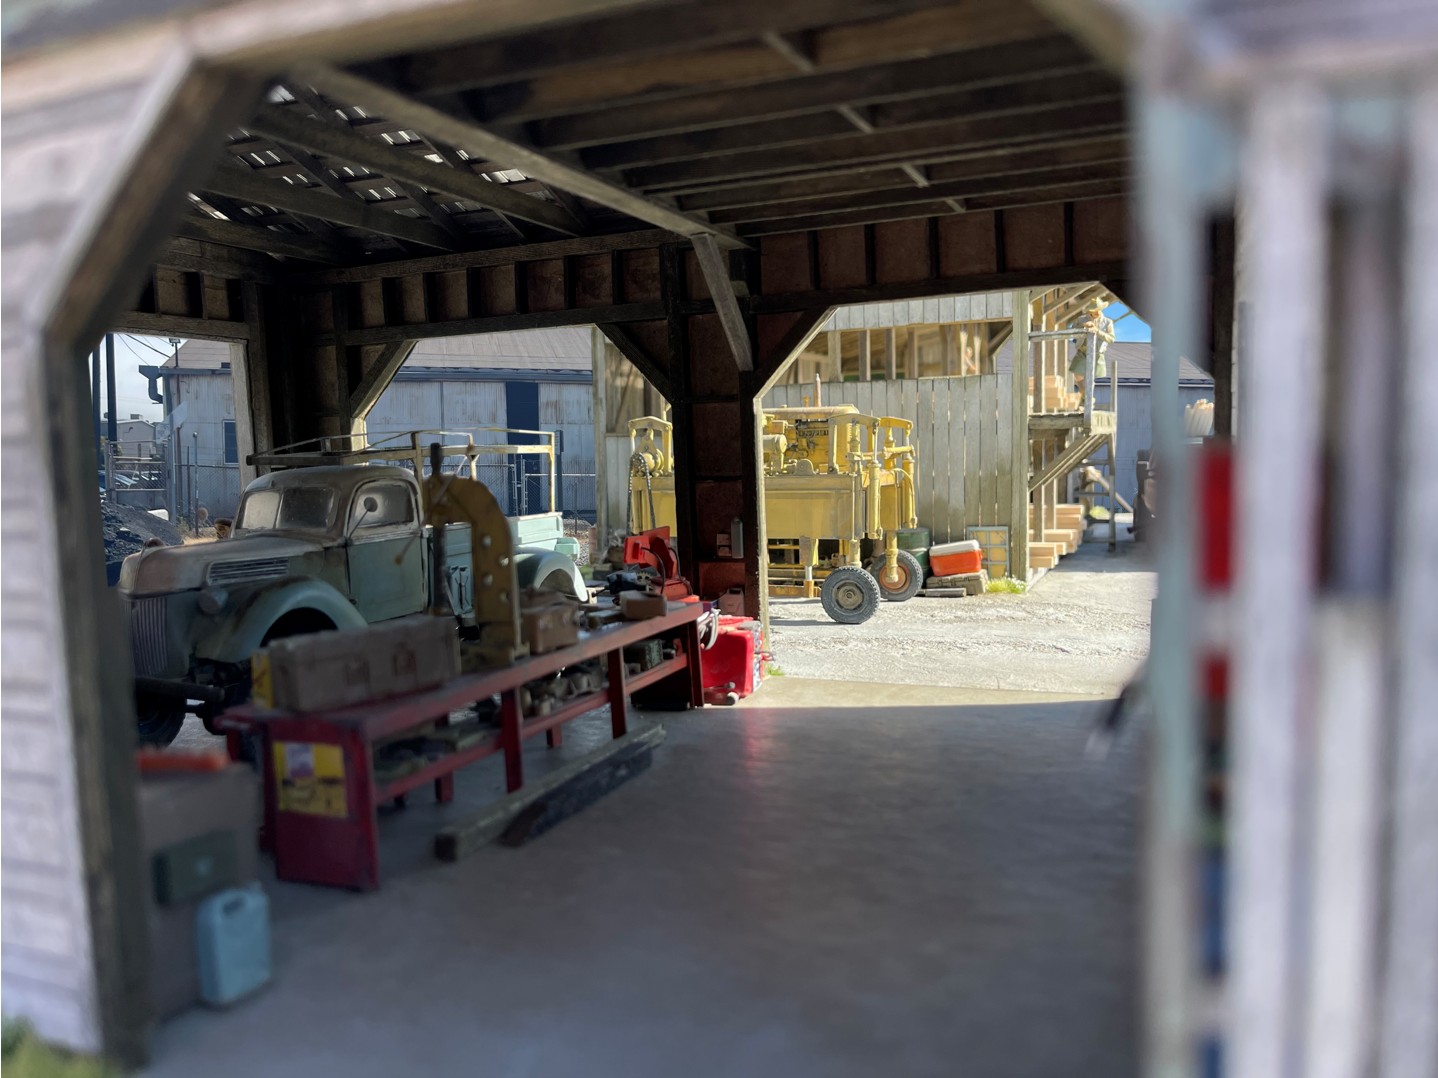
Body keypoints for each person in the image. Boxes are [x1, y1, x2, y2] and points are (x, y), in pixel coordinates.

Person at [1069, 295, 1115, 403]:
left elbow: (1111, 339)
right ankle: (1085, 395)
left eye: (1099, 310)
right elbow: (1072, 332)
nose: (1097, 312)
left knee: (1091, 376)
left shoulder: (1108, 322)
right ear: (1090, 311)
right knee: (1077, 374)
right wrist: (1083, 327)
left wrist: (1097, 330)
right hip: (1082, 350)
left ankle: (1088, 398)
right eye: (1094, 310)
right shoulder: (1081, 319)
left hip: (1098, 353)